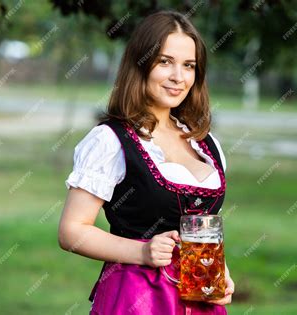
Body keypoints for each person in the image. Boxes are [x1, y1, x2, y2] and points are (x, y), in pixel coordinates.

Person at [58, 10, 234, 315]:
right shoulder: (111, 140)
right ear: (141, 63)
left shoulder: (206, 144)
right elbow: (72, 231)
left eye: (189, 66)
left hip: (201, 301)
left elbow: (205, 230)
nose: (179, 77)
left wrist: (223, 273)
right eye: (165, 62)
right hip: (136, 299)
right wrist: (142, 251)